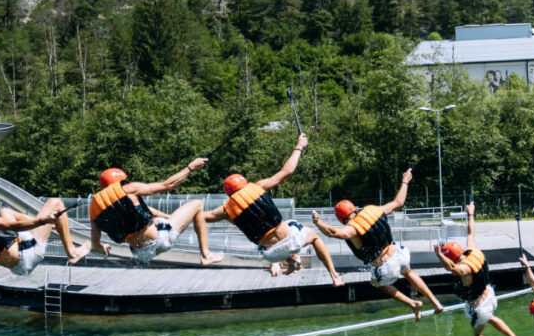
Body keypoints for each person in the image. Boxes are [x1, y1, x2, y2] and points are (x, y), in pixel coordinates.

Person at [200, 134, 342, 286]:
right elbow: (287, 171)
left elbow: (200, 217)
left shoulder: (226, 210)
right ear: (245, 184)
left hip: (271, 255)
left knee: (273, 237)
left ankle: (292, 260)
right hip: (291, 242)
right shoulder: (258, 187)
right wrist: (299, 146)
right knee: (311, 236)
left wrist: (174, 216)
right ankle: (334, 277)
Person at [312, 167, 445, 316]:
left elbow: (333, 232)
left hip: (385, 265)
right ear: (355, 209)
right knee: (408, 272)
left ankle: (413, 303)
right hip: (399, 253)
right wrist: (405, 181)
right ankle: (436, 302)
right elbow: (398, 202)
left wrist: (318, 223)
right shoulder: (374, 210)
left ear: (341, 219)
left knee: (377, 284)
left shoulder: (352, 229)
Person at [435, 202, 525, 336]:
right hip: (489, 294)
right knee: (490, 318)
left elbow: (452, 268)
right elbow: (470, 232)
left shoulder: (464, 270)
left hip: (478, 307)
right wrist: (471, 213)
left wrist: (439, 255)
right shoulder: (472, 250)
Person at [86, 158, 224, 265]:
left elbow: (96, 245)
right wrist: (191, 167)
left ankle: (169, 219)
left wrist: (102, 247)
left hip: (141, 253)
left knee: (156, 219)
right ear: (121, 181)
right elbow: (168, 185)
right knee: (197, 204)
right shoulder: (130, 189)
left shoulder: (94, 208)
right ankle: (206, 255)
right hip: (160, 239)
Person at [0, 190, 89, 275]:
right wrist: (41, 221)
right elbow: (10, 225)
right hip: (28, 253)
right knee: (55, 202)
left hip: (18, 266)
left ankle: (52, 225)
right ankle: (72, 252)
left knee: (5, 211)